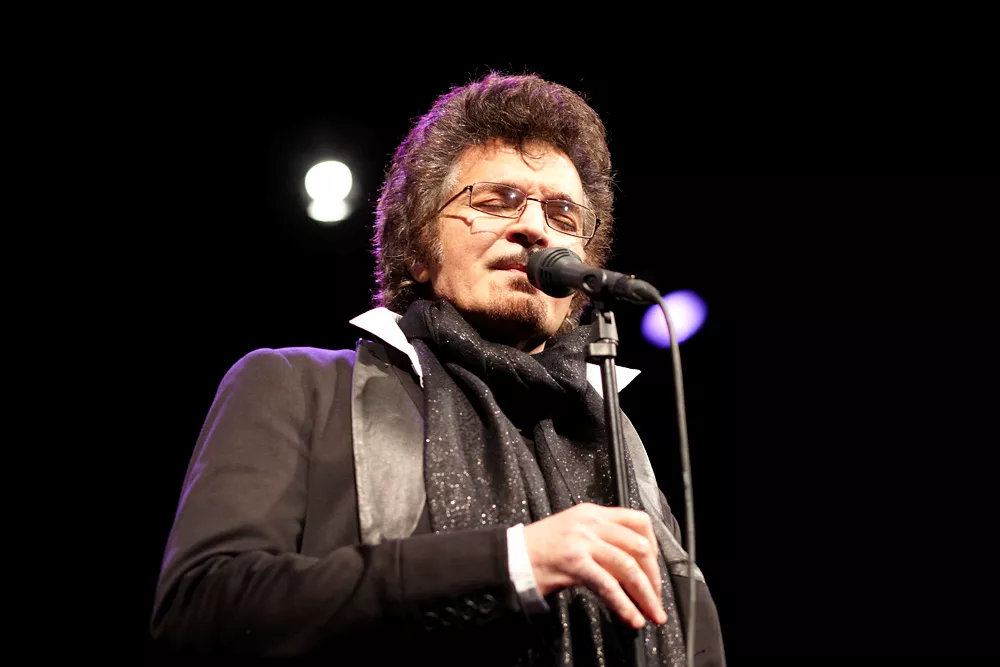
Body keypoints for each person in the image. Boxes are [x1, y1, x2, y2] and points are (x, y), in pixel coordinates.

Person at [149, 71, 726, 666]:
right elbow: (202, 609)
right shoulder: (298, 387)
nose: (534, 227)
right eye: (496, 201)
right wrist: (513, 562)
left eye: (562, 214)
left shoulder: (618, 445)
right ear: (420, 249)